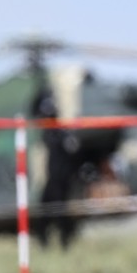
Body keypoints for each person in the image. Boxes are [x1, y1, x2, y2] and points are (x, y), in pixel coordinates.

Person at [31, 80, 80, 248]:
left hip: (60, 180)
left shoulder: (60, 134)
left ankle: (64, 241)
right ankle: (47, 241)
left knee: (58, 212)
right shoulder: (51, 133)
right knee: (46, 212)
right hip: (53, 179)